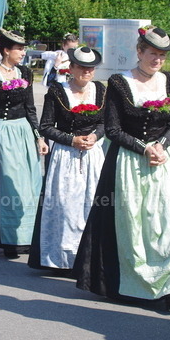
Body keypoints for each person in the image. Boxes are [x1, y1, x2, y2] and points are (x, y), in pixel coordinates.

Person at [75, 27, 170, 308]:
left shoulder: (169, 81)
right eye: (153, 53)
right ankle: (134, 284)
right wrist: (144, 148)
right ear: (139, 51)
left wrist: (161, 146)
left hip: (164, 160)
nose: (158, 59)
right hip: (129, 161)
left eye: (162, 55)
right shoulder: (120, 82)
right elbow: (113, 130)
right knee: (134, 225)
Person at [29, 46, 106, 271]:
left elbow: (105, 123)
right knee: (65, 207)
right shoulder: (57, 91)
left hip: (92, 156)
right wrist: (72, 140)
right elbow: (46, 126)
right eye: (82, 67)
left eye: (91, 68)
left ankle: (87, 261)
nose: (87, 72)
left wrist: (94, 136)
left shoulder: (100, 90)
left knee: (91, 206)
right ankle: (63, 260)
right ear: (71, 68)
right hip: (65, 156)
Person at [0, 29, 46, 258]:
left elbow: (30, 108)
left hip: (24, 133)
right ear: (6, 50)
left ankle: (27, 236)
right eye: (19, 49)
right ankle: (8, 240)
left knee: (29, 186)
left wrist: (38, 136)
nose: (23, 52)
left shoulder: (25, 72)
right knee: (8, 185)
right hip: (2, 134)